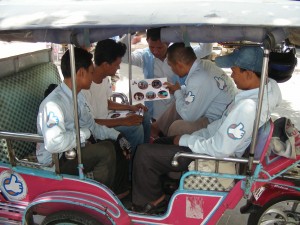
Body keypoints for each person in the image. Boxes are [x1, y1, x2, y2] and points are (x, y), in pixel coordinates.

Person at [131, 46, 282, 213]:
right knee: (161, 141)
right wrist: (190, 136)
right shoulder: (260, 94)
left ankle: (150, 201)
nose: (232, 75)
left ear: (249, 73)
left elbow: (219, 148)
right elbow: (218, 129)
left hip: (213, 156)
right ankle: (163, 185)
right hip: (210, 142)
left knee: (144, 153)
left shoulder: (247, 108)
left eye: (235, 70)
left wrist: (187, 139)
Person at [36, 47, 131, 197]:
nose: (93, 77)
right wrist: (84, 134)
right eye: (91, 72)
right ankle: (97, 199)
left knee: (114, 143)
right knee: (105, 150)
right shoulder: (54, 104)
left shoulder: (78, 96)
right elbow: (54, 143)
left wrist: (117, 135)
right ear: (80, 73)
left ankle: (118, 193)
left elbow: (92, 126)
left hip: (73, 151)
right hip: (57, 161)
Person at [121, 28, 214, 120]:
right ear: (147, 41)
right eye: (151, 47)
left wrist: (194, 31)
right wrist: (131, 33)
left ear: (168, 43)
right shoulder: (144, 56)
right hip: (155, 114)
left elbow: (206, 49)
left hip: (180, 111)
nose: (155, 51)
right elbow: (124, 57)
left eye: (160, 47)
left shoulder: (181, 54)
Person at [82, 39, 151, 155]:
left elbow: (106, 102)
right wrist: (124, 120)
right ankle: (132, 169)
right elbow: (92, 123)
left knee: (144, 114)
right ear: (105, 65)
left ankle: (144, 155)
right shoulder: (85, 85)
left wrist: (131, 108)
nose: (118, 68)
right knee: (135, 129)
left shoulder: (104, 77)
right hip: (98, 128)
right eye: (117, 65)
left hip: (109, 118)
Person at [151, 42, 236, 137]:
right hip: (217, 113)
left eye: (171, 66)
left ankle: (166, 146)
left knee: (177, 127)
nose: (172, 69)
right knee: (179, 99)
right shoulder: (205, 64)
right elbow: (195, 91)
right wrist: (178, 90)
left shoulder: (197, 78)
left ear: (179, 65)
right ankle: (156, 128)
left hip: (217, 121)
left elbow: (188, 116)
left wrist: (177, 91)